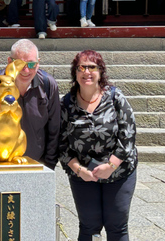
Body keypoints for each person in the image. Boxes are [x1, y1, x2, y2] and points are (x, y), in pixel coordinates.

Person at [59, 50, 138, 241]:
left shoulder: (114, 96)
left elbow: (128, 133)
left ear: (100, 72)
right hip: (83, 174)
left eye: (92, 67)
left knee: (116, 226)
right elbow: (60, 143)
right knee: (88, 226)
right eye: (82, 67)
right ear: (75, 73)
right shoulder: (66, 104)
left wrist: (111, 165)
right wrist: (78, 170)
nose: (87, 72)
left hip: (119, 171)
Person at [0, 39, 60, 169]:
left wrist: (49, 165)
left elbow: (55, 127)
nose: (25, 70)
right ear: (9, 62)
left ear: (38, 63)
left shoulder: (48, 85)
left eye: (31, 65)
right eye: (20, 64)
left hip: (37, 164)